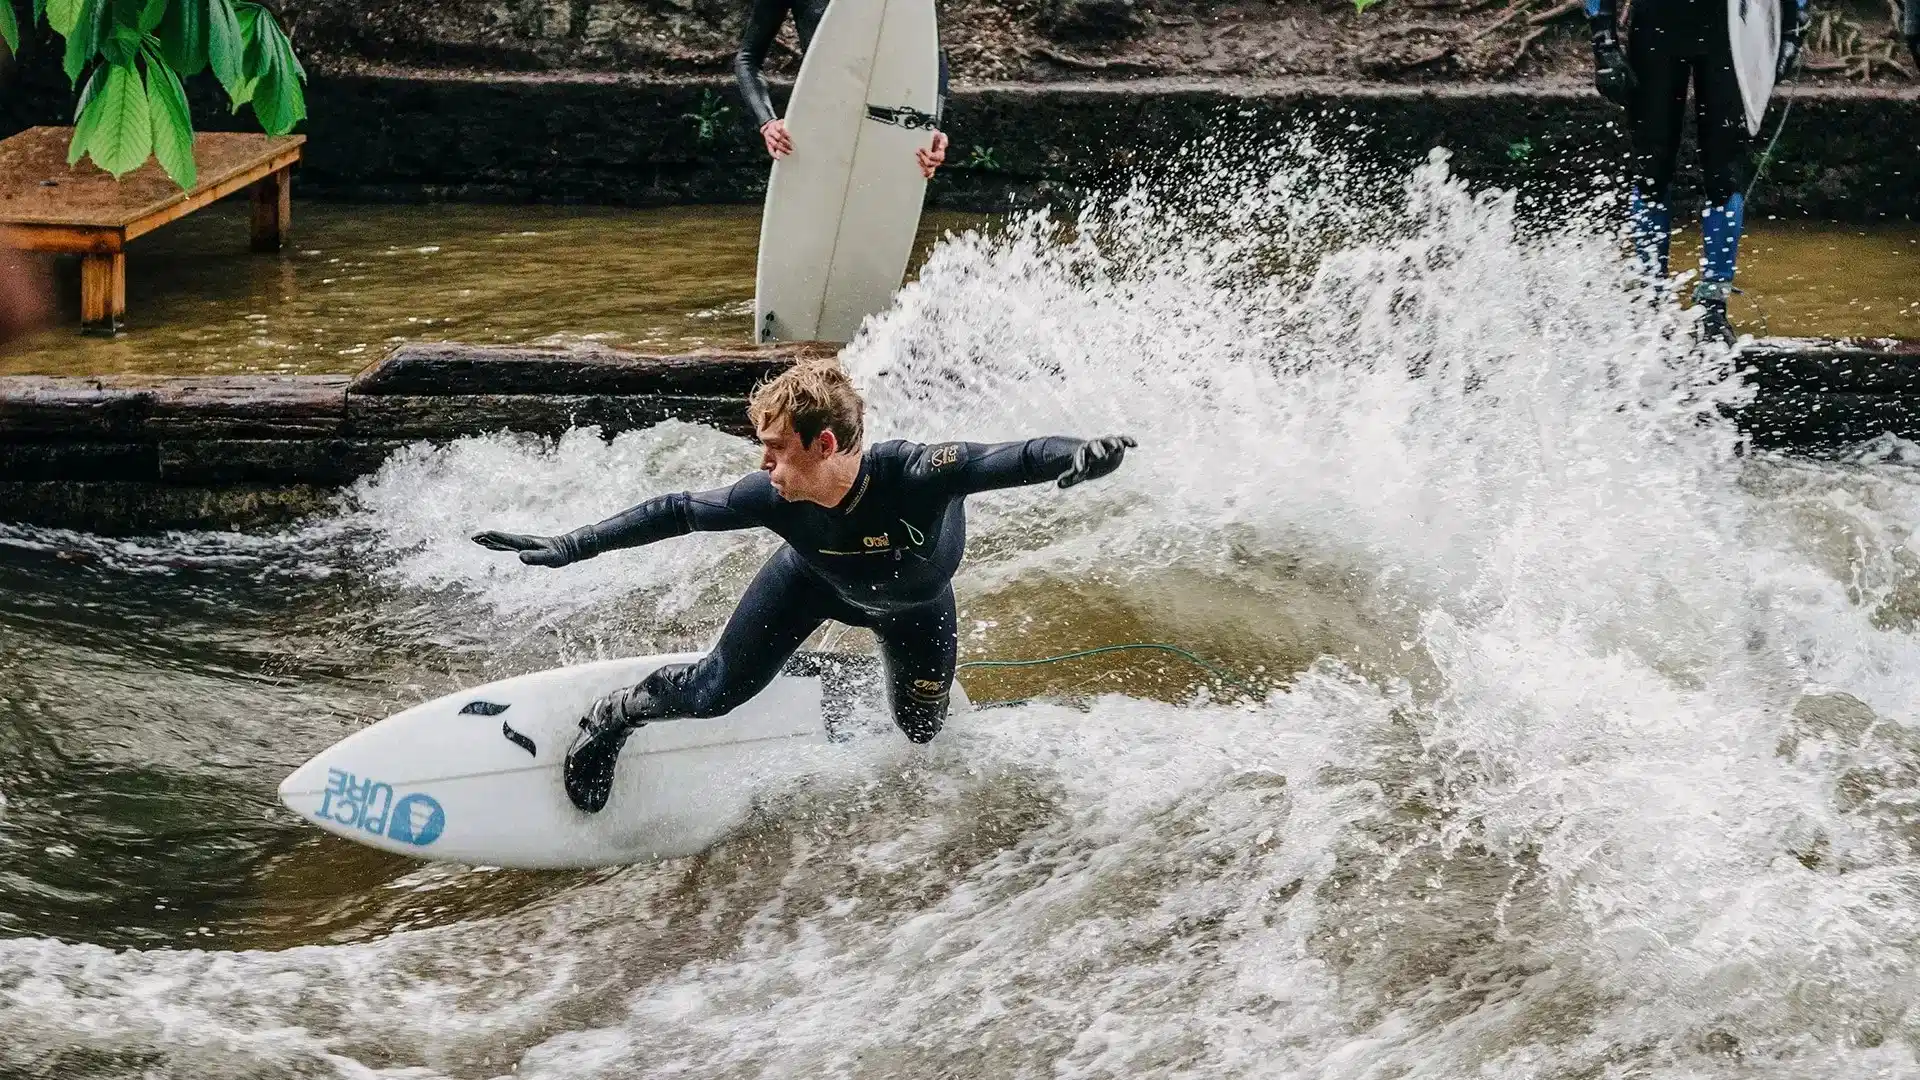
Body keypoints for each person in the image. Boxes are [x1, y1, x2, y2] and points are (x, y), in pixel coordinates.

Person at [473, 362, 1136, 813]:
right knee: (710, 696)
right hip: (808, 588)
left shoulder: (914, 473)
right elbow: (676, 510)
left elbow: (1005, 457)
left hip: (914, 610)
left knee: (923, 730)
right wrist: (571, 545)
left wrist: (1074, 454)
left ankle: (837, 676)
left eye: (775, 447)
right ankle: (613, 717)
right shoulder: (775, 497)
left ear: (823, 444)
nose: (762, 463)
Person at [1587, 0, 1810, 343]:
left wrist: (1794, 28)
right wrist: (1604, 42)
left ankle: (1714, 306)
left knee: (1724, 175)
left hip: (1728, 31)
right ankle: (1651, 301)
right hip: (1656, 27)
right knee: (1651, 171)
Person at [734, 0, 949, 179]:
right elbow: (747, 59)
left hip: (889, 121)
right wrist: (768, 122)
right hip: (824, 123)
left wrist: (932, 127)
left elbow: (934, 56)